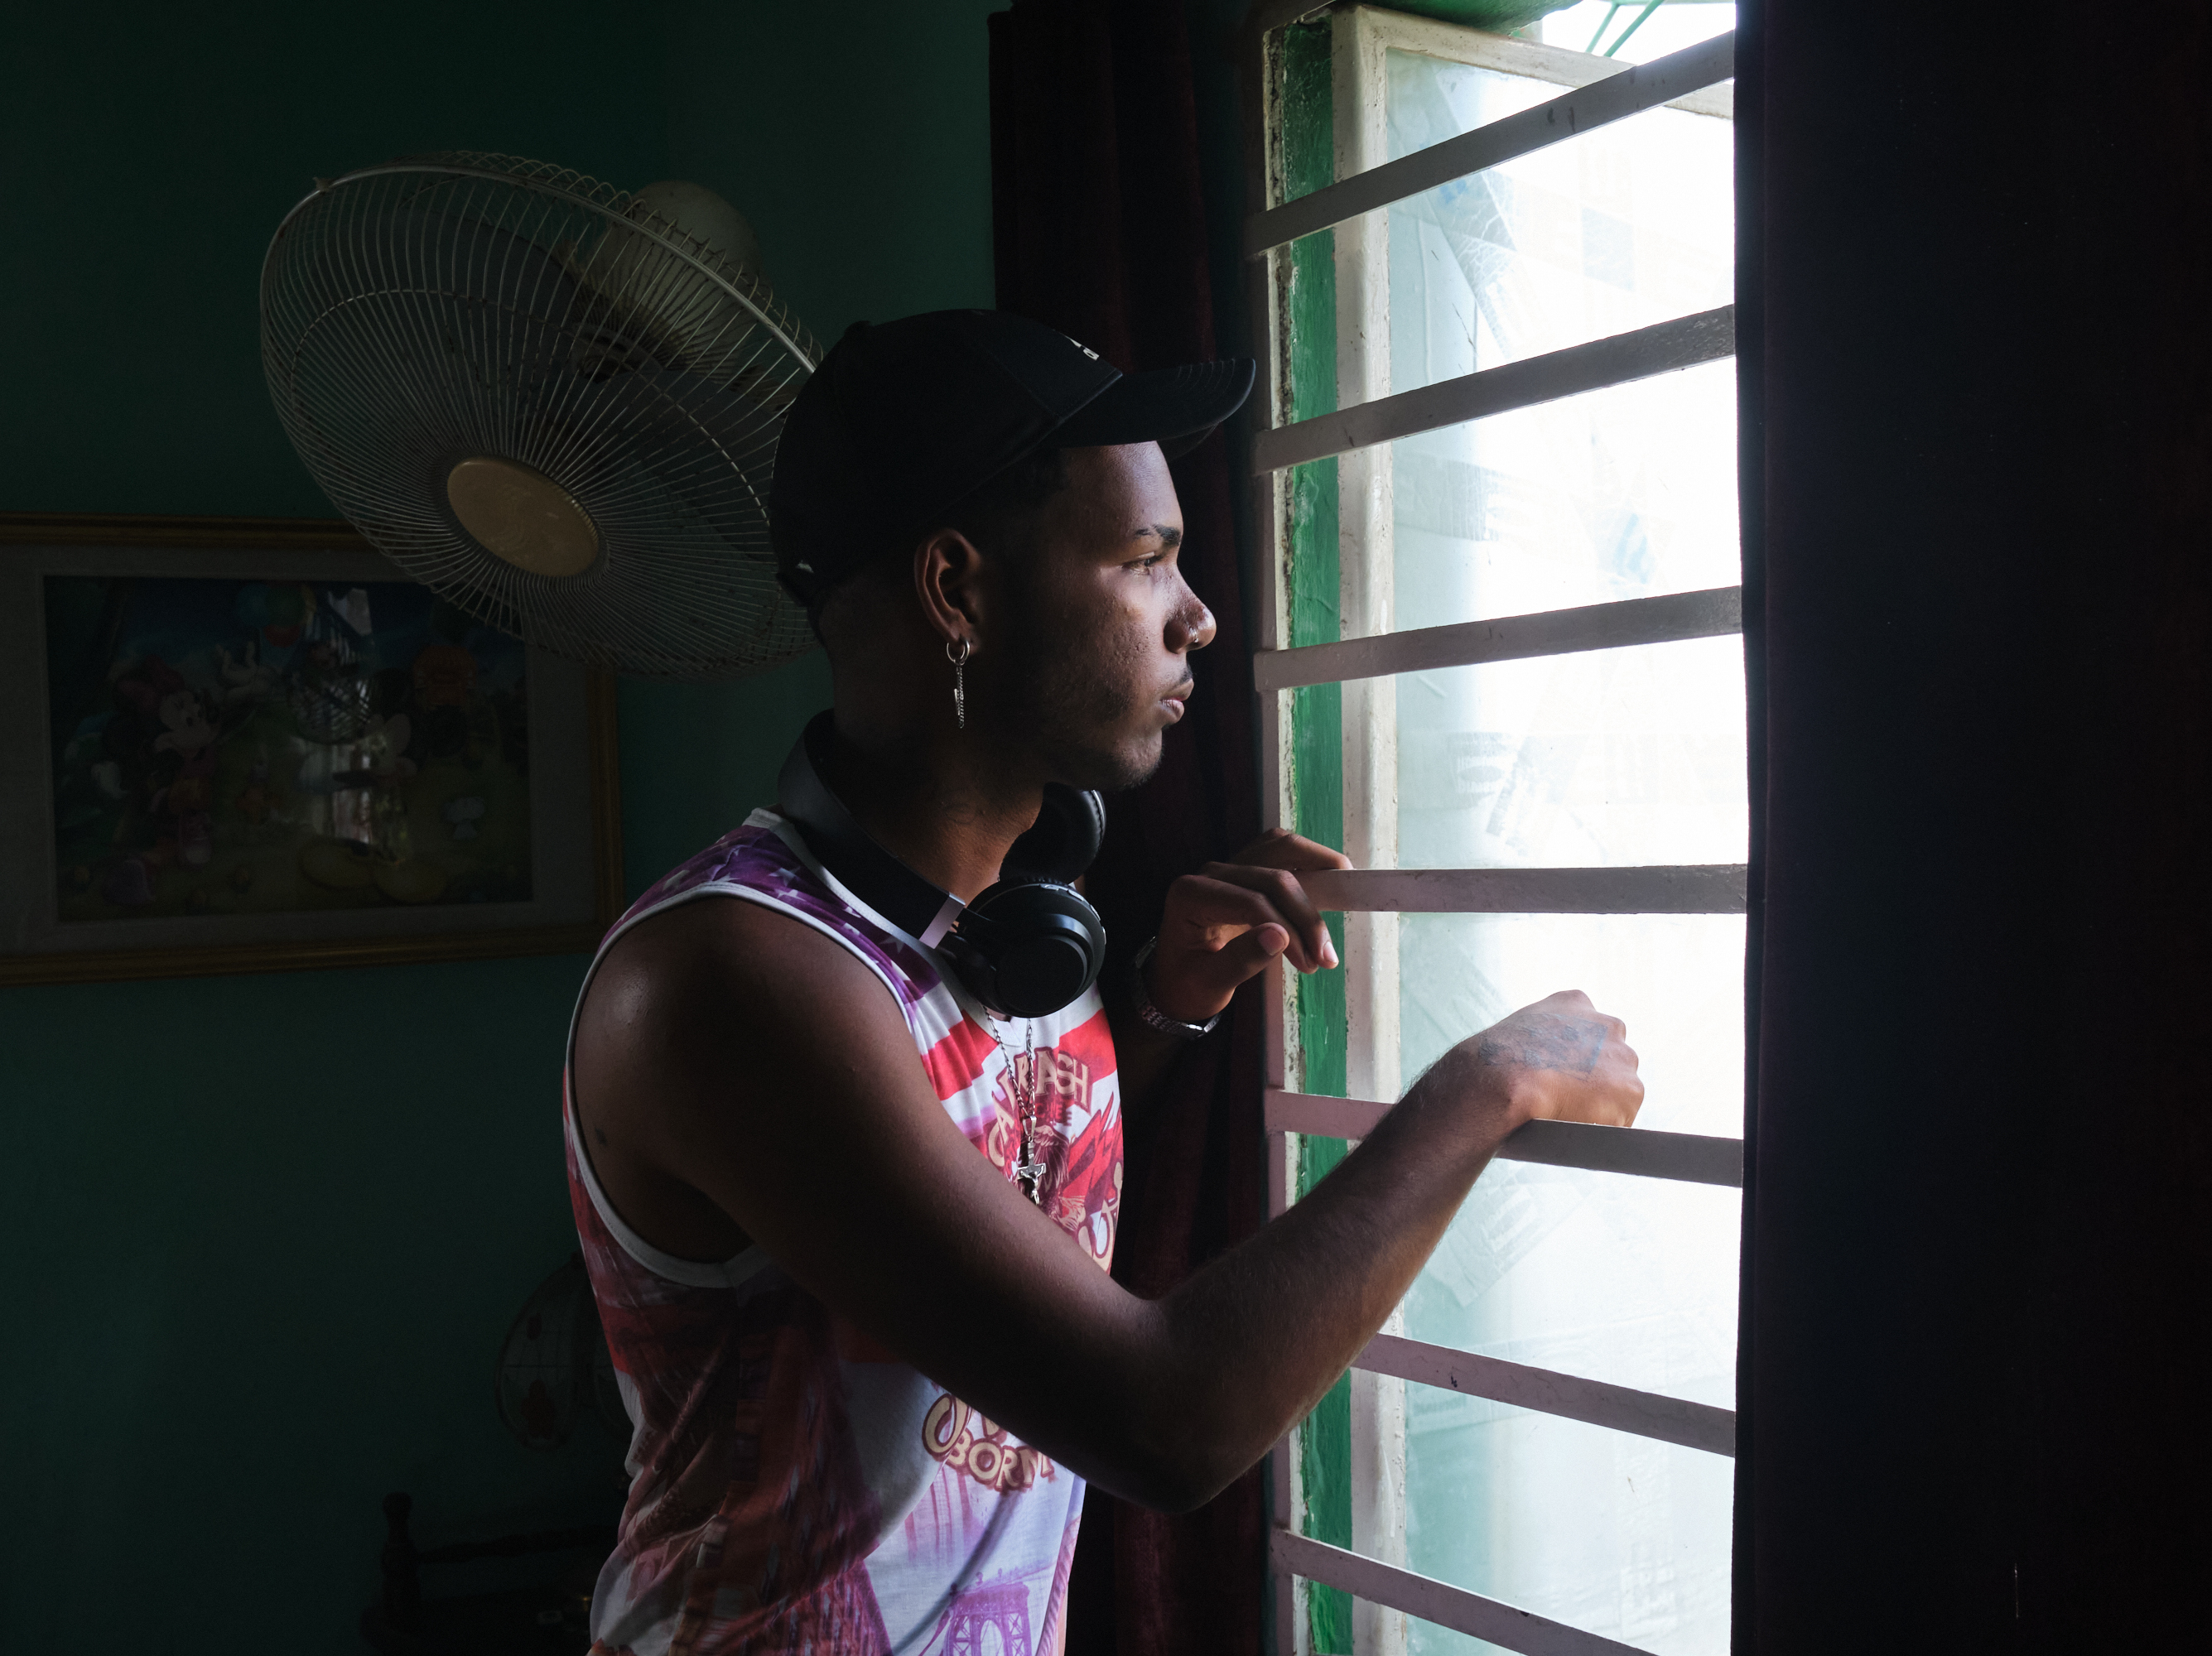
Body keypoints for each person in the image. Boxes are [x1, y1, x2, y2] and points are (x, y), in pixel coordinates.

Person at [563, 310, 1643, 1655]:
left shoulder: (1007, 929)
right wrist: (1488, 1085)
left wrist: (1155, 1006)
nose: (1197, 617)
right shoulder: (731, 979)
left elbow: (960, 1159)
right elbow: (1165, 1420)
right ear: (956, 591)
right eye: (1144, 562)